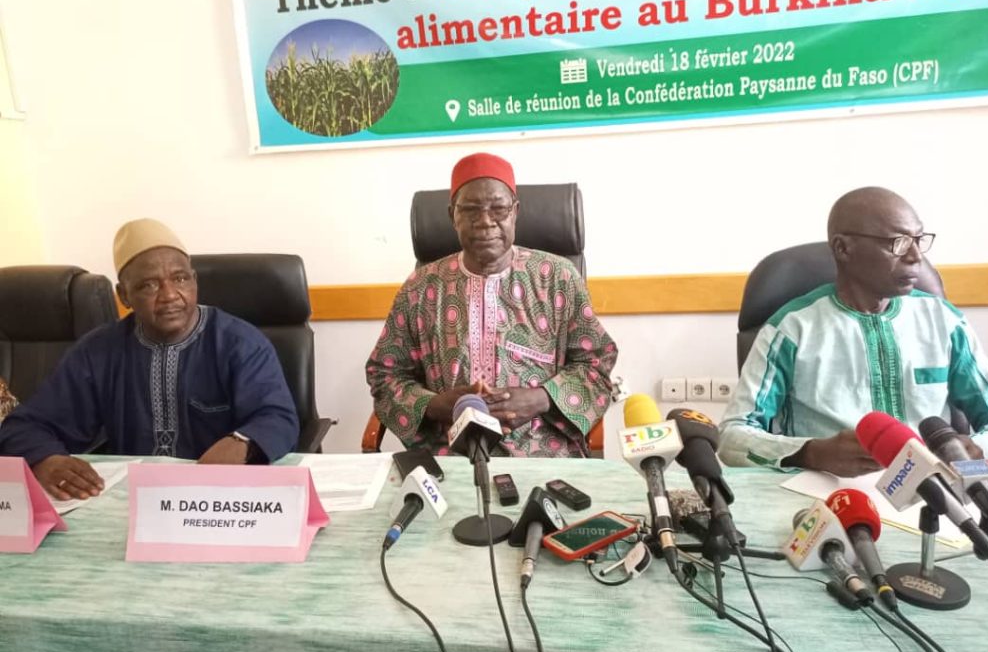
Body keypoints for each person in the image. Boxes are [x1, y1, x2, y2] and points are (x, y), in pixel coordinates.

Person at [719, 187, 988, 476]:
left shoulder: (943, 321)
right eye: (899, 242)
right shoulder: (792, 328)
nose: (916, 256)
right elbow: (732, 436)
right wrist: (810, 453)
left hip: (935, 493)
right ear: (843, 248)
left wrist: (979, 452)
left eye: (919, 240)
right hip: (828, 494)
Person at [0, 219, 299, 500]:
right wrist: (45, 458)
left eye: (180, 278)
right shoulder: (98, 351)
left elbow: (278, 417)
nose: (170, 295)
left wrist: (243, 442)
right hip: (130, 501)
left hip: (218, 498)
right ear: (124, 295)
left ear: (194, 281)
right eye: (149, 285)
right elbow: (25, 426)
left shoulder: (239, 343)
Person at [366, 152, 617, 457]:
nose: (485, 221)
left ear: (515, 212)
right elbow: (385, 374)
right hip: (450, 453)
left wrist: (540, 399)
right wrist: (434, 405)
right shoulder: (420, 288)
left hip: (542, 452)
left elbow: (596, 365)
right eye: (471, 210)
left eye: (498, 208)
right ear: (452, 216)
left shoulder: (558, 277)